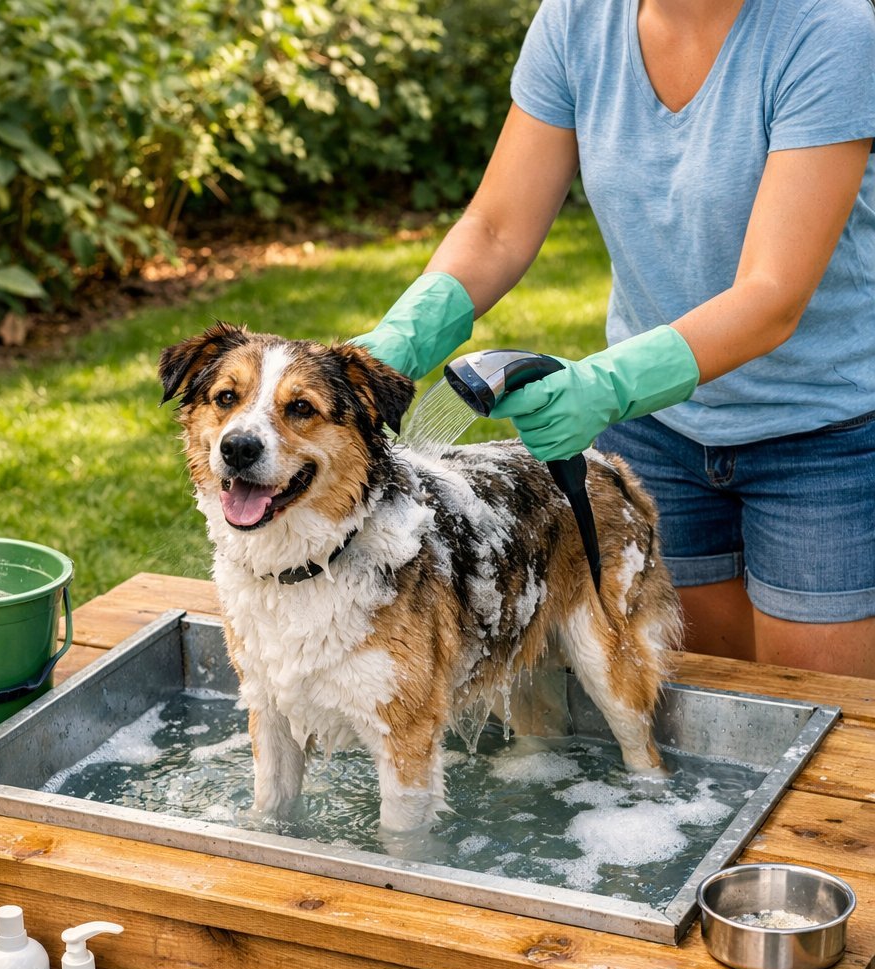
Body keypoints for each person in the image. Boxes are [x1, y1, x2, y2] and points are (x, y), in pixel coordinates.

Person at [353, 0, 875, 677]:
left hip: (821, 435)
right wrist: (399, 340)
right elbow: (497, 229)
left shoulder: (828, 30)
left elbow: (770, 295)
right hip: (657, 433)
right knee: (688, 698)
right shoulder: (577, 20)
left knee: (823, 716)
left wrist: (604, 385)